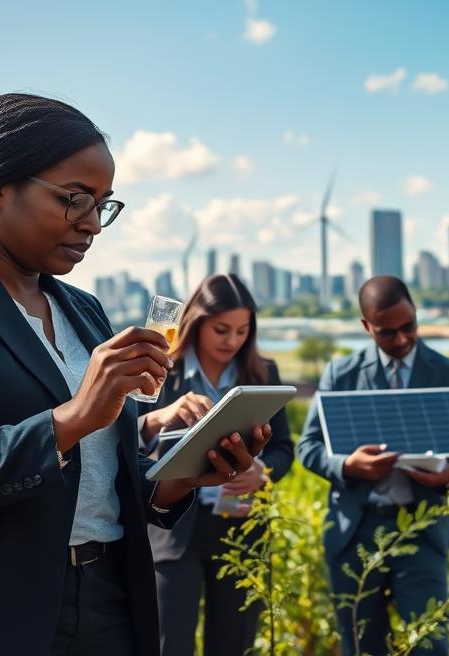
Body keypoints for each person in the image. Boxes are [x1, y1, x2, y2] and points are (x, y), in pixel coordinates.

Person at [0, 93, 271, 656]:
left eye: (104, 204)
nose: (94, 225)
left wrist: (182, 476)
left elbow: (99, 474)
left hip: (104, 602)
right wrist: (72, 417)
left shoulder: (83, 309)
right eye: (74, 200)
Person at [298, 275, 449, 656]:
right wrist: (348, 465)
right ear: (366, 327)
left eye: (409, 327)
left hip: (422, 530)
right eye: (387, 333)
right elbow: (308, 447)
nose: (401, 339)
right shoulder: (341, 375)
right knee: (361, 645)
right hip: (355, 531)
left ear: (416, 314)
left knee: (429, 644)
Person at [137, 273, 295, 655]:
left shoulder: (262, 373)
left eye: (243, 331)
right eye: (222, 330)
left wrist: (263, 473)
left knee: (233, 645)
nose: (232, 341)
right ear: (197, 322)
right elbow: (126, 438)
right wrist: (161, 418)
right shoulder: (160, 369)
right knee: (168, 642)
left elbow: (284, 449)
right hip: (172, 532)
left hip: (240, 529)